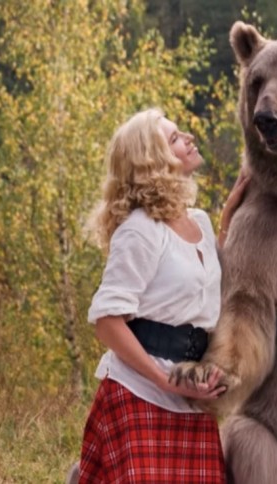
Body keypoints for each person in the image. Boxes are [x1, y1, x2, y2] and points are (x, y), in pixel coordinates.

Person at [77, 108, 247, 484]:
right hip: (139, 392)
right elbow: (107, 323)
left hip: (193, 395)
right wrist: (163, 379)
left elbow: (206, 291)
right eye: (173, 138)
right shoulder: (140, 230)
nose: (187, 137)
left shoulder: (199, 222)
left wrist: (229, 218)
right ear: (152, 163)